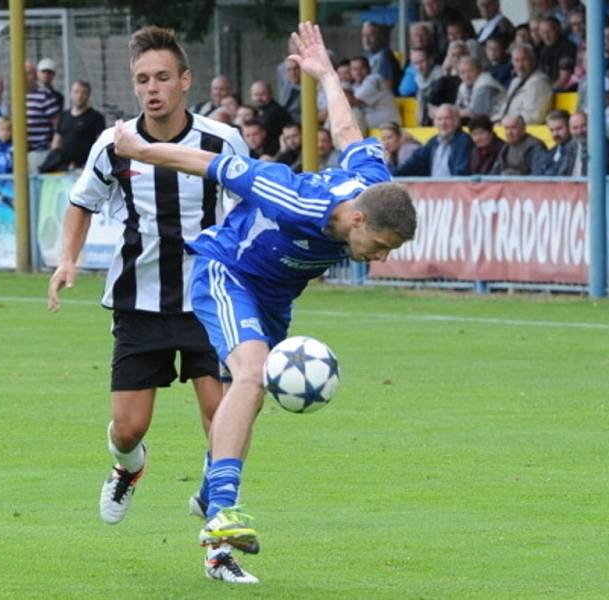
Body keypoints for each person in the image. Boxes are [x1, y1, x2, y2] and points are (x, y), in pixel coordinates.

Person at [110, 21, 416, 585]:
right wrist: (139, 148)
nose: (379, 257)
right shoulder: (292, 196)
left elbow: (348, 129)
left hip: (275, 299)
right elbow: (209, 163)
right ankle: (223, 516)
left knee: (244, 401)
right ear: (357, 220)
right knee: (250, 374)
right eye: (379, 245)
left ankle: (207, 492)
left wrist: (325, 74)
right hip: (226, 274)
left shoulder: (373, 184)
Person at [45, 25, 252, 584]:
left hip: (210, 300)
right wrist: (68, 260)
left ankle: (218, 549)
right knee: (128, 428)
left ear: (185, 80)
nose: (152, 88)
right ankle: (127, 469)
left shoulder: (222, 141)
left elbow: (249, 205)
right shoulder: (113, 145)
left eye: (163, 76)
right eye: (142, 79)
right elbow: (81, 203)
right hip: (139, 303)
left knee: (222, 422)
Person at [393, 104, 473, 176]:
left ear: (457, 121)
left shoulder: (464, 141)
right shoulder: (433, 142)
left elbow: (461, 172)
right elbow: (413, 164)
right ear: (434, 123)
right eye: (439, 119)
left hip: (455, 190)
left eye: (447, 118)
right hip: (434, 191)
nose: (443, 123)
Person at [46, 80, 105, 172]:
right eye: (76, 92)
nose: (79, 96)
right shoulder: (64, 116)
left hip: (85, 167)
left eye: (83, 93)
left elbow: (100, 142)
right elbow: (56, 140)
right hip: (63, 168)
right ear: (71, 94)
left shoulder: (96, 117)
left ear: (88, 95)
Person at [492, 43, 553, 124]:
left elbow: (534, 116)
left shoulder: (539, 82)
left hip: (524, 129)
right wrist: (495, 120)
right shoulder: (516, 81)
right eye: (517, 61)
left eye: (524, 60)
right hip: (508, 126)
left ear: (533, 60)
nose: (520, 65)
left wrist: (504, 122)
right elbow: (503, 109)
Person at [25, 60, 61, 172]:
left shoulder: (45, 95)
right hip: (21, 152)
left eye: (28, 73)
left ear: (35, 74)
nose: (25, 77)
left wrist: (53, 148)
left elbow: (58, 124)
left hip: (39, 152)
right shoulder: (17, 96)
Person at [455, 56, 504, 123]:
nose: (467, 76)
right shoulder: (463, 85)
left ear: (479, 70)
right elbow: (458, 107)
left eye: (470, 71)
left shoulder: (485, 84)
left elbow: (476, 113)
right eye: (462, 72)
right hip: (483, 122)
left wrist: (452, 112)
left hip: (499, 122)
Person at [249, 80, 291, 155]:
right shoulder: (256, 111)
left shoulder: (277, 111)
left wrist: (270, 155)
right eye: (256, 95)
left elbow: (273, 138)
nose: (259, 98)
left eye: (262, 94)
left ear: (270, 94)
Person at [361, 21, 402, 90]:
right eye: (364, 35)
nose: (366, 40)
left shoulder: (384, 56)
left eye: (370, 35)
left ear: (380, 37)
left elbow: (388, 87)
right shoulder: (368, 55)